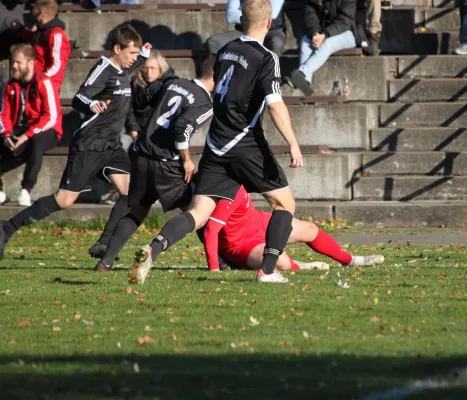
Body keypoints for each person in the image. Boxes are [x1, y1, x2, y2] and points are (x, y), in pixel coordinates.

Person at [128, 0, 303, 285]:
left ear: (241, 21)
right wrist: (293, 143)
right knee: (284, 205)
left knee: (198, 213)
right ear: (269, 24)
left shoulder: (224, 51)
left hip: (215, 144)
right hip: (245, 142)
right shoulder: (266, 57)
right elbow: (275, 104)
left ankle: (152, 248)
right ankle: (268, 271)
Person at [0, 25, 151, 260]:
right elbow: (80, 96)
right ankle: (6, 228)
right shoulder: (104, 68)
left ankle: (104, 243)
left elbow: (131, 64)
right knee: (64, 200)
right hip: (89, 145)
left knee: (130, 193)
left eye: (136, 54)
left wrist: (143, 55)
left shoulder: (124, 68)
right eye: (131, 53)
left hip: (110, 145)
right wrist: (92, 105)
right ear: (117, 49)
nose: (134, 59)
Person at [93, 53, 215, 273]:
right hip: (165, 163)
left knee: (137, 210)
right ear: (216, 75)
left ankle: (105, 262)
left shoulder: (173, 82)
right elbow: (182, 129)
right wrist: (187, 160)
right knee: (195, 212)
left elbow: (140, 100)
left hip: (141, 155)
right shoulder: (205, 102)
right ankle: (219, 261)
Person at [202, 186, 384, 272]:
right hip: (240, 244)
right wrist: (214, 269)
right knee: (279, 261)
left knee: (310, 229)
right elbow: (210, 230)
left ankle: (351, 260)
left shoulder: (239, 168)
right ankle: (303, 266)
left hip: (258, 222)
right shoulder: (218, 187)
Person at [0, 43, 62, 206]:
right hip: (19, 130)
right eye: (13, 62)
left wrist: (26, 136)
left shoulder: (44, 82)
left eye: (18, 62)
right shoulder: (10, 86)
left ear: (30, 62)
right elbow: (3, 113)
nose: (14, 66)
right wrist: (6, 134)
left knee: (36, 142)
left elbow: (51, 116)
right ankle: (0, 193)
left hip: (47, 130)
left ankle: (26, 189)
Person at [288, 0, 358, 96]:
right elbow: (310, 16)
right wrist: (315, 33)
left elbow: (344, 21)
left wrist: (324, 35)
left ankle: (301, 73)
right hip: (322, 33)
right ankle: (305, 83)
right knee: (305, 40)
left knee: (327, 43)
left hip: (348, 33)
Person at [12, 0, 71, 91]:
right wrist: (19, 29)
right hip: (33, 83)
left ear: (41, 12)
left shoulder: (56, 35)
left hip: (45, 87)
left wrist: (42, 81)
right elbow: (33, 39)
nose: (32, 10)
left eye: (34, 8)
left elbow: (57, 66)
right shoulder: (42, 32)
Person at [125, 51, 174, 144]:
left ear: (160, 68)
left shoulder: (169, 84)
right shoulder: (134, 84)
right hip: (138, 128)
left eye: (153, 68)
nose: (149, 72)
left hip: (161, 130)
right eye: (145, 68)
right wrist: (133, 131)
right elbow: (128, 110)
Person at [206, 0, 287, 57]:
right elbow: (231, 16)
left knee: (276, 42)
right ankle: (226, 77)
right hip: (243, 31)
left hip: (270, 31)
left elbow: (273, 14)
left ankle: (268, 78)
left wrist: (246, 14)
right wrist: (258, 15)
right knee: (214, 42)